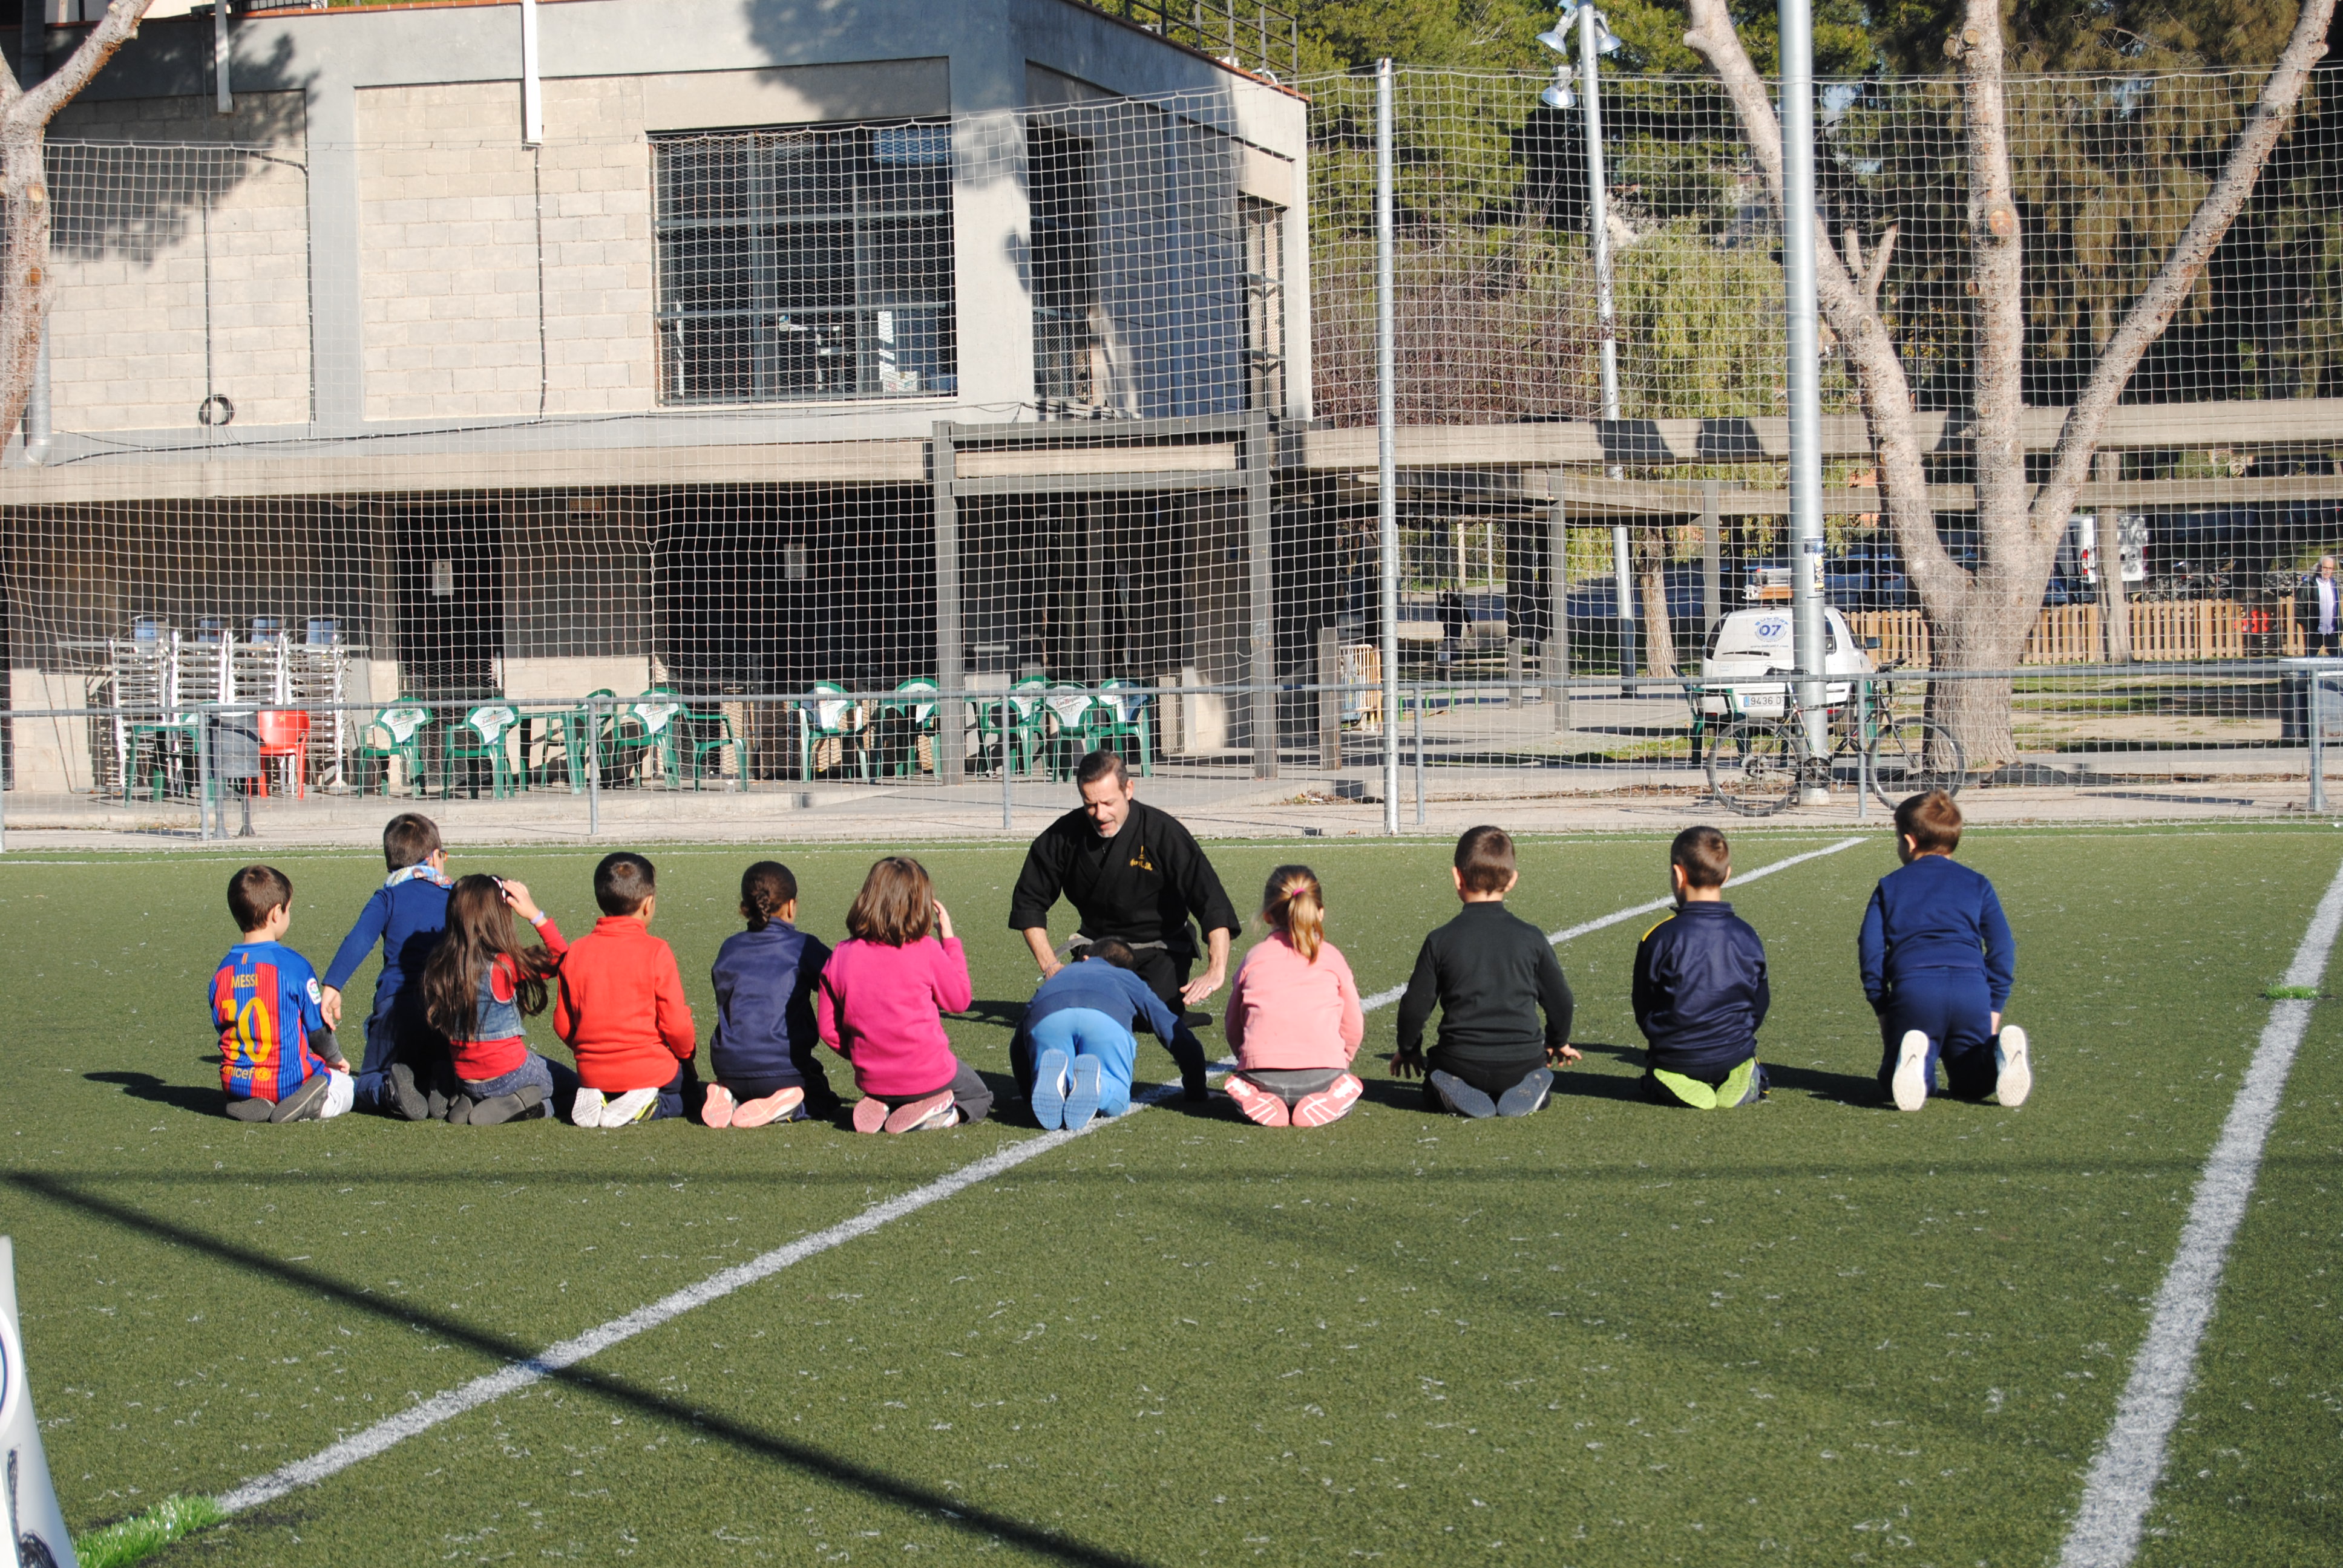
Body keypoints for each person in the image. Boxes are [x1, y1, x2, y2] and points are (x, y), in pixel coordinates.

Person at [1008, 749, 1239, 1051]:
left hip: (1161, 949)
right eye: (1090, 805)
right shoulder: (1064, 836)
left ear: (1128, 789)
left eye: (1108, 803)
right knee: (1075, 1010)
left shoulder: (1163, 832)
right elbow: (1028, 903)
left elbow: (1212, 901)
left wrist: (1216, 970)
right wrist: (1051, 966)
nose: (1100, 814)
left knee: (1151, 1013)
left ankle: (1168, 1008)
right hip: (1099, 951)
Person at [1392, 825, 1580, 1118]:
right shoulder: (1531, 938)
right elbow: (1561, 1001)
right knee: (1531, 1073)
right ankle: (1535, 1090)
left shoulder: (1441, 940)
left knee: (1434, 1081)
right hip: (1522, 1062)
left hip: (1460, 1062)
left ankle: (1448, 1093)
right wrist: (1558, 1041)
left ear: (1457, 877)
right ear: (1513, 880)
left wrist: (1408, 1049)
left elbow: (1415, 1007)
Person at [1860, 790, 2028, 1112]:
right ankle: (1997, 1055)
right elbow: (2003, 946)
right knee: (1971, 1082)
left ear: (1909, 842)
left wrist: (1882, 1006)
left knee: (1891, 1077)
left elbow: (1871, 951)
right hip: (1972, 991)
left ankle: (1914, 1061)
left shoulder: (1890, 885)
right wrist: (1993, 1006)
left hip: (1916, 991)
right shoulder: (1978, 883)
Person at [819, 857, 992, 1133]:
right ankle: (938, 1113)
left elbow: (828, 1029)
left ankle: (885, 1102)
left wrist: (864, 1054)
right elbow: (959, 1001)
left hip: (872, 1076)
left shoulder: (841, 954)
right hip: (928, 1071)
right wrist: (949, 940)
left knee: (894, 1086)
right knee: (979, 1097)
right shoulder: (926, 949)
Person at [320, 812, 453, 1120]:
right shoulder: (455, 895)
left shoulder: (388, 897)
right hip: (449, 1013)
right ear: (434, 857)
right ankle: (444, 1080)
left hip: (398, 1011)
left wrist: (333, 985)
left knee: (367, 1081)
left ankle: (387, 1089)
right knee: (441, 1060)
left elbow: (359, 940)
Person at [554, 852, 698, 1128]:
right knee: (692, 1096)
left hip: (592, 1072)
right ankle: (648, 1105)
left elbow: (563, 1024)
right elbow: (676, 1025)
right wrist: (687, 1054)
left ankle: (602, 1094)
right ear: (648, 904)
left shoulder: (577, 951)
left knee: (612, 1083)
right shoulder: (656, 951)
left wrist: (594, 1054)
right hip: (649, 1069)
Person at [419, 874, 576, 1126]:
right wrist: (535, 915)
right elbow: (562, 959)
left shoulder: (442, 964)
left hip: (466, 1077)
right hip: (510, 1074)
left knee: (488, 1081)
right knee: (577, 1089)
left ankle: (472, 1100)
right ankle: (528, 1108)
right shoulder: (505, 965)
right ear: (498, 917)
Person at [1632, 826, 1771, 1109]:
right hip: (1734, 1050)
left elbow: (1643, 1004)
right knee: (1740, 1059)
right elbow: (1760, 1000)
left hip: (1676, 1056)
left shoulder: (1659, 937)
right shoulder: (1746, 934)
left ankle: (1667, 1080)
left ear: (1678, 875)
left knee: (1657, 1076)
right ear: (1727, 874)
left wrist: (1666, 1042)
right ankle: (1743, 1072)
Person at [1222, 866, 1367, 1129]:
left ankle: (1252, 1093)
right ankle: (1334, 1095)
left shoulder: (1254, 958)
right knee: (1344, 1083)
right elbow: (1353, 1023)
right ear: (1319, 912)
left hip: (1261, 1076)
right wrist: (1342, 1060)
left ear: (1267, 916)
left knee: (1249, 1084)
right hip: (1324, 1075)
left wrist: (1246, 1060)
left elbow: (1234, 1023)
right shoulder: (1331, 957)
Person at [1011, 938, 1205, 1132]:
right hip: (1104, 1018)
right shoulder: (1126, 977)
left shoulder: (1061, 975)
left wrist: (1028, 1090)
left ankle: (1054, 1084)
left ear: (1085, 958)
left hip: (1048, 1018)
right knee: (1117, 1097)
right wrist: (1196, 1088)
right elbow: (1169, 1026)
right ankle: (1099, 1087)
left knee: (1056, 1067)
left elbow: (1019, 1044)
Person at [212, 864, 353, 1123]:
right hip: (288, 1082)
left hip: (236, 1081)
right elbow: (318, 1031)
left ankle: (248, 1098)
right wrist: (335, 1059)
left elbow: (224, 1029)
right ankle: (311, 1105)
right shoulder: (292, 965)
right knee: (346, 1087)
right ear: (277, 913)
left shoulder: (222, 971)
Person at [705, 861, 838, 1129]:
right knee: (824, 1099)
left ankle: (729, 1095)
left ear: (745, 907)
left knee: (751, 1080)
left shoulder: (730, 947)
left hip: (728, 1068)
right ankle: (789, 1106)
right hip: (784, 1069)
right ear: (791, 906)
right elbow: (840, 981)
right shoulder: (803, 946)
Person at [2298, 555, 2341, 656]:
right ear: (2319, 567)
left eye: (2330, 568)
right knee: (2309, 660)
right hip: (2315, 631)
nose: (2327, 571)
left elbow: (2336, 608)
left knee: (2340, 660)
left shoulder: (2334, 585)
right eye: (2325, 567)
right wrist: (2308, 625)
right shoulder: (2309, 585)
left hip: (2331, 631)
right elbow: (2298, 606)